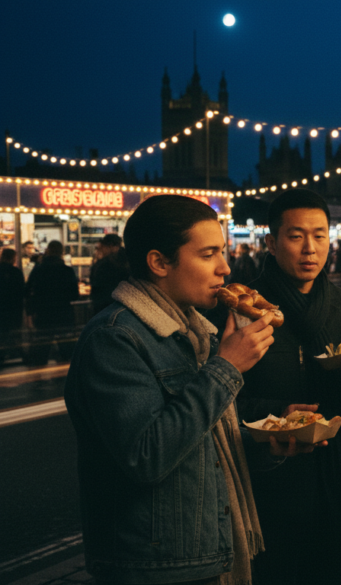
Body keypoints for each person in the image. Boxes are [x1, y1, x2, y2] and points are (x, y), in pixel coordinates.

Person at [64, 194, 297, 585]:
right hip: (157, 566)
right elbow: (147, 456)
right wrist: (226, 368)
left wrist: (267, 443)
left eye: (222, 252)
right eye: (208, 254)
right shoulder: (115, 339)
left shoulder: (197, 331)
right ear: (158, 262)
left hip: (207, 550)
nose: (225, 267)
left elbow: (205, 445)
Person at [230, 189, 341, 585]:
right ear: (271, 242)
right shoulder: (244, 306)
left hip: (333, 470)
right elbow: (224, 397)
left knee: (329, 571)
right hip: (270, 475)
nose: (310, 249)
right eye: (296, 236)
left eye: (319, 235)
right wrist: (277, 414)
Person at [26, 240, 79, 362]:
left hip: (43, 314)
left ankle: (37, 379)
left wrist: (30, 311)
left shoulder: (38, 270)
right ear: (61, 253)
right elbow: (74, 295)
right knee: (68, 354)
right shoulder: (67, 271)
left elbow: (28, 290)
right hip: (63, 313)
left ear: (47, 251)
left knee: (40, 353)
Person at [89, 234, 130, 314]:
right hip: (125, 305)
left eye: (102, 247)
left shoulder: (104, 264)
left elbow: (95, 284)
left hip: (104, 306)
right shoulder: (129, 260)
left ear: (110, 246)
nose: (101, 250)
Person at [0, 248, 25, 365]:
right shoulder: (16, 272)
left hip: (2, 308)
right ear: (13, 258)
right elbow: (22, 291)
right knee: (13, 334)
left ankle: (3, 356)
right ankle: (22, 355)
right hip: (14, 309)